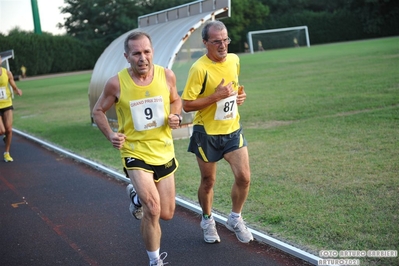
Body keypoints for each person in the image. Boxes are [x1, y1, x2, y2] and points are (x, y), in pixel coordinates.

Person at [92, 31, 182, 266]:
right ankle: (155, 261)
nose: (142, 58)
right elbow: (98, 111)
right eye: (136, 53)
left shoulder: (167, 76)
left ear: (152, 52)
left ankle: (135, 197)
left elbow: (176, 99)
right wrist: (111, 134)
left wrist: (175, 115)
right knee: (152, 209)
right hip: (135, 152)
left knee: (166, 213)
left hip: (163, 150)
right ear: (127, 56)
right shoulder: (116, 82)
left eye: (146, 52)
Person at [181, 21, 254, 244]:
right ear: (205, 43)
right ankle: (207, 219)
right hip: (207, 134)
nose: (223, 45)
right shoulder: (199, 68)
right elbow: (187, 105)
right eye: (216, 41)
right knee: (208, 182)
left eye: (225, 40)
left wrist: (240, 96)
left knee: (244, 178)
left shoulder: (234, 60)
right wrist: (216, 96)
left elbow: (235, 87)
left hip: (232, 129)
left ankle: (235, 218)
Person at [0, 55, 23, 162]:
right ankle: (4, 136)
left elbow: (12, 83)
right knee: (1, 131)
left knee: (9, 129)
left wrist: (16, 89)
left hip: (7, 103)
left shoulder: (7, 72)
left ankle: (6, 153)